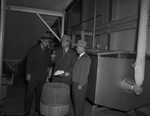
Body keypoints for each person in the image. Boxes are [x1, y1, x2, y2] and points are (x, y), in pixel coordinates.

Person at [24, 33, 52, 116]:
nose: (47, 43)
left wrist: (52, 60)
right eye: (45, 41)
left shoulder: (48, 51)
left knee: (40, 94)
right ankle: (26, 111)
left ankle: (38, 108)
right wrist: (28, 73)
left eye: (48, 42)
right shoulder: (33, 49)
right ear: (41, 40)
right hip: (33, 75)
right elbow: (28, 62)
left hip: (42, 76)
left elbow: (49, 64)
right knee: (29, 94)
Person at [72, 40, 91, 116]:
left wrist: (81, 84)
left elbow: (84, 73)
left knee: (79, 104)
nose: (76, 49)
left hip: (79, 84)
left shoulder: (86, 58)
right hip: (75, 82)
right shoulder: (79, 57)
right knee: (76, 103)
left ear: (83, 48)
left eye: (78, 47)